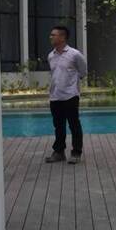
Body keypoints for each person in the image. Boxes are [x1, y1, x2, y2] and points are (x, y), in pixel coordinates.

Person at [45, 26, 87, 164]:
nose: (51, 37)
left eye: (54, 35)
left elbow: (83, 72)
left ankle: (76, 153)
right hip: (55, 95)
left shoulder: (75, 54)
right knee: (58, 126)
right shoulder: (51, 56)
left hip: (70, 95)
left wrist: (72, 84)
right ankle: (59, 152)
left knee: (74, 125)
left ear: (62, 37)